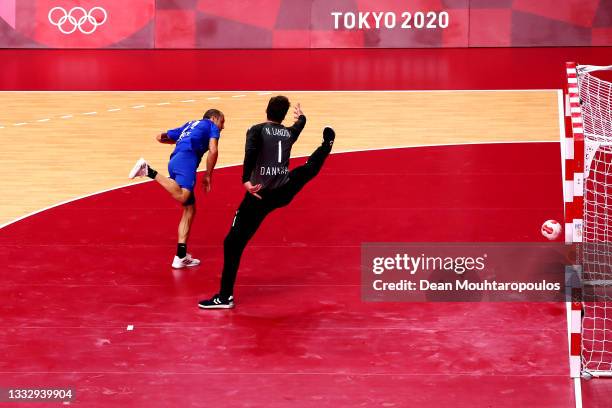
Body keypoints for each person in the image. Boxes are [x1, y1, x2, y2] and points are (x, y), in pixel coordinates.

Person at [198, 96, 334, 309]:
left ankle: (225, 297)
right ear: (283, 116)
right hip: (283, 191)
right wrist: (302, 117)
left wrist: (245, 180)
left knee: (232, 243)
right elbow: (299, 126)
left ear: (266, 111)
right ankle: (326, 146)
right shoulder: (289, 133)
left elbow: (250, 154)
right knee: (307, 170)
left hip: (259, 196)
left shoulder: (256, 130)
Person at [128, 109, 225, 269]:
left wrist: (180, 141)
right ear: (214, 118)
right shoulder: (210, 126)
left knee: (190, 209)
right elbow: (213, 150)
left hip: (175, 161)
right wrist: (208, 175)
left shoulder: (189, 125)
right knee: (182, 196)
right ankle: (148, 170)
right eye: (222, 122)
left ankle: (180, 256)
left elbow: (160, 137)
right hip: (187, 159)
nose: (222, 127)